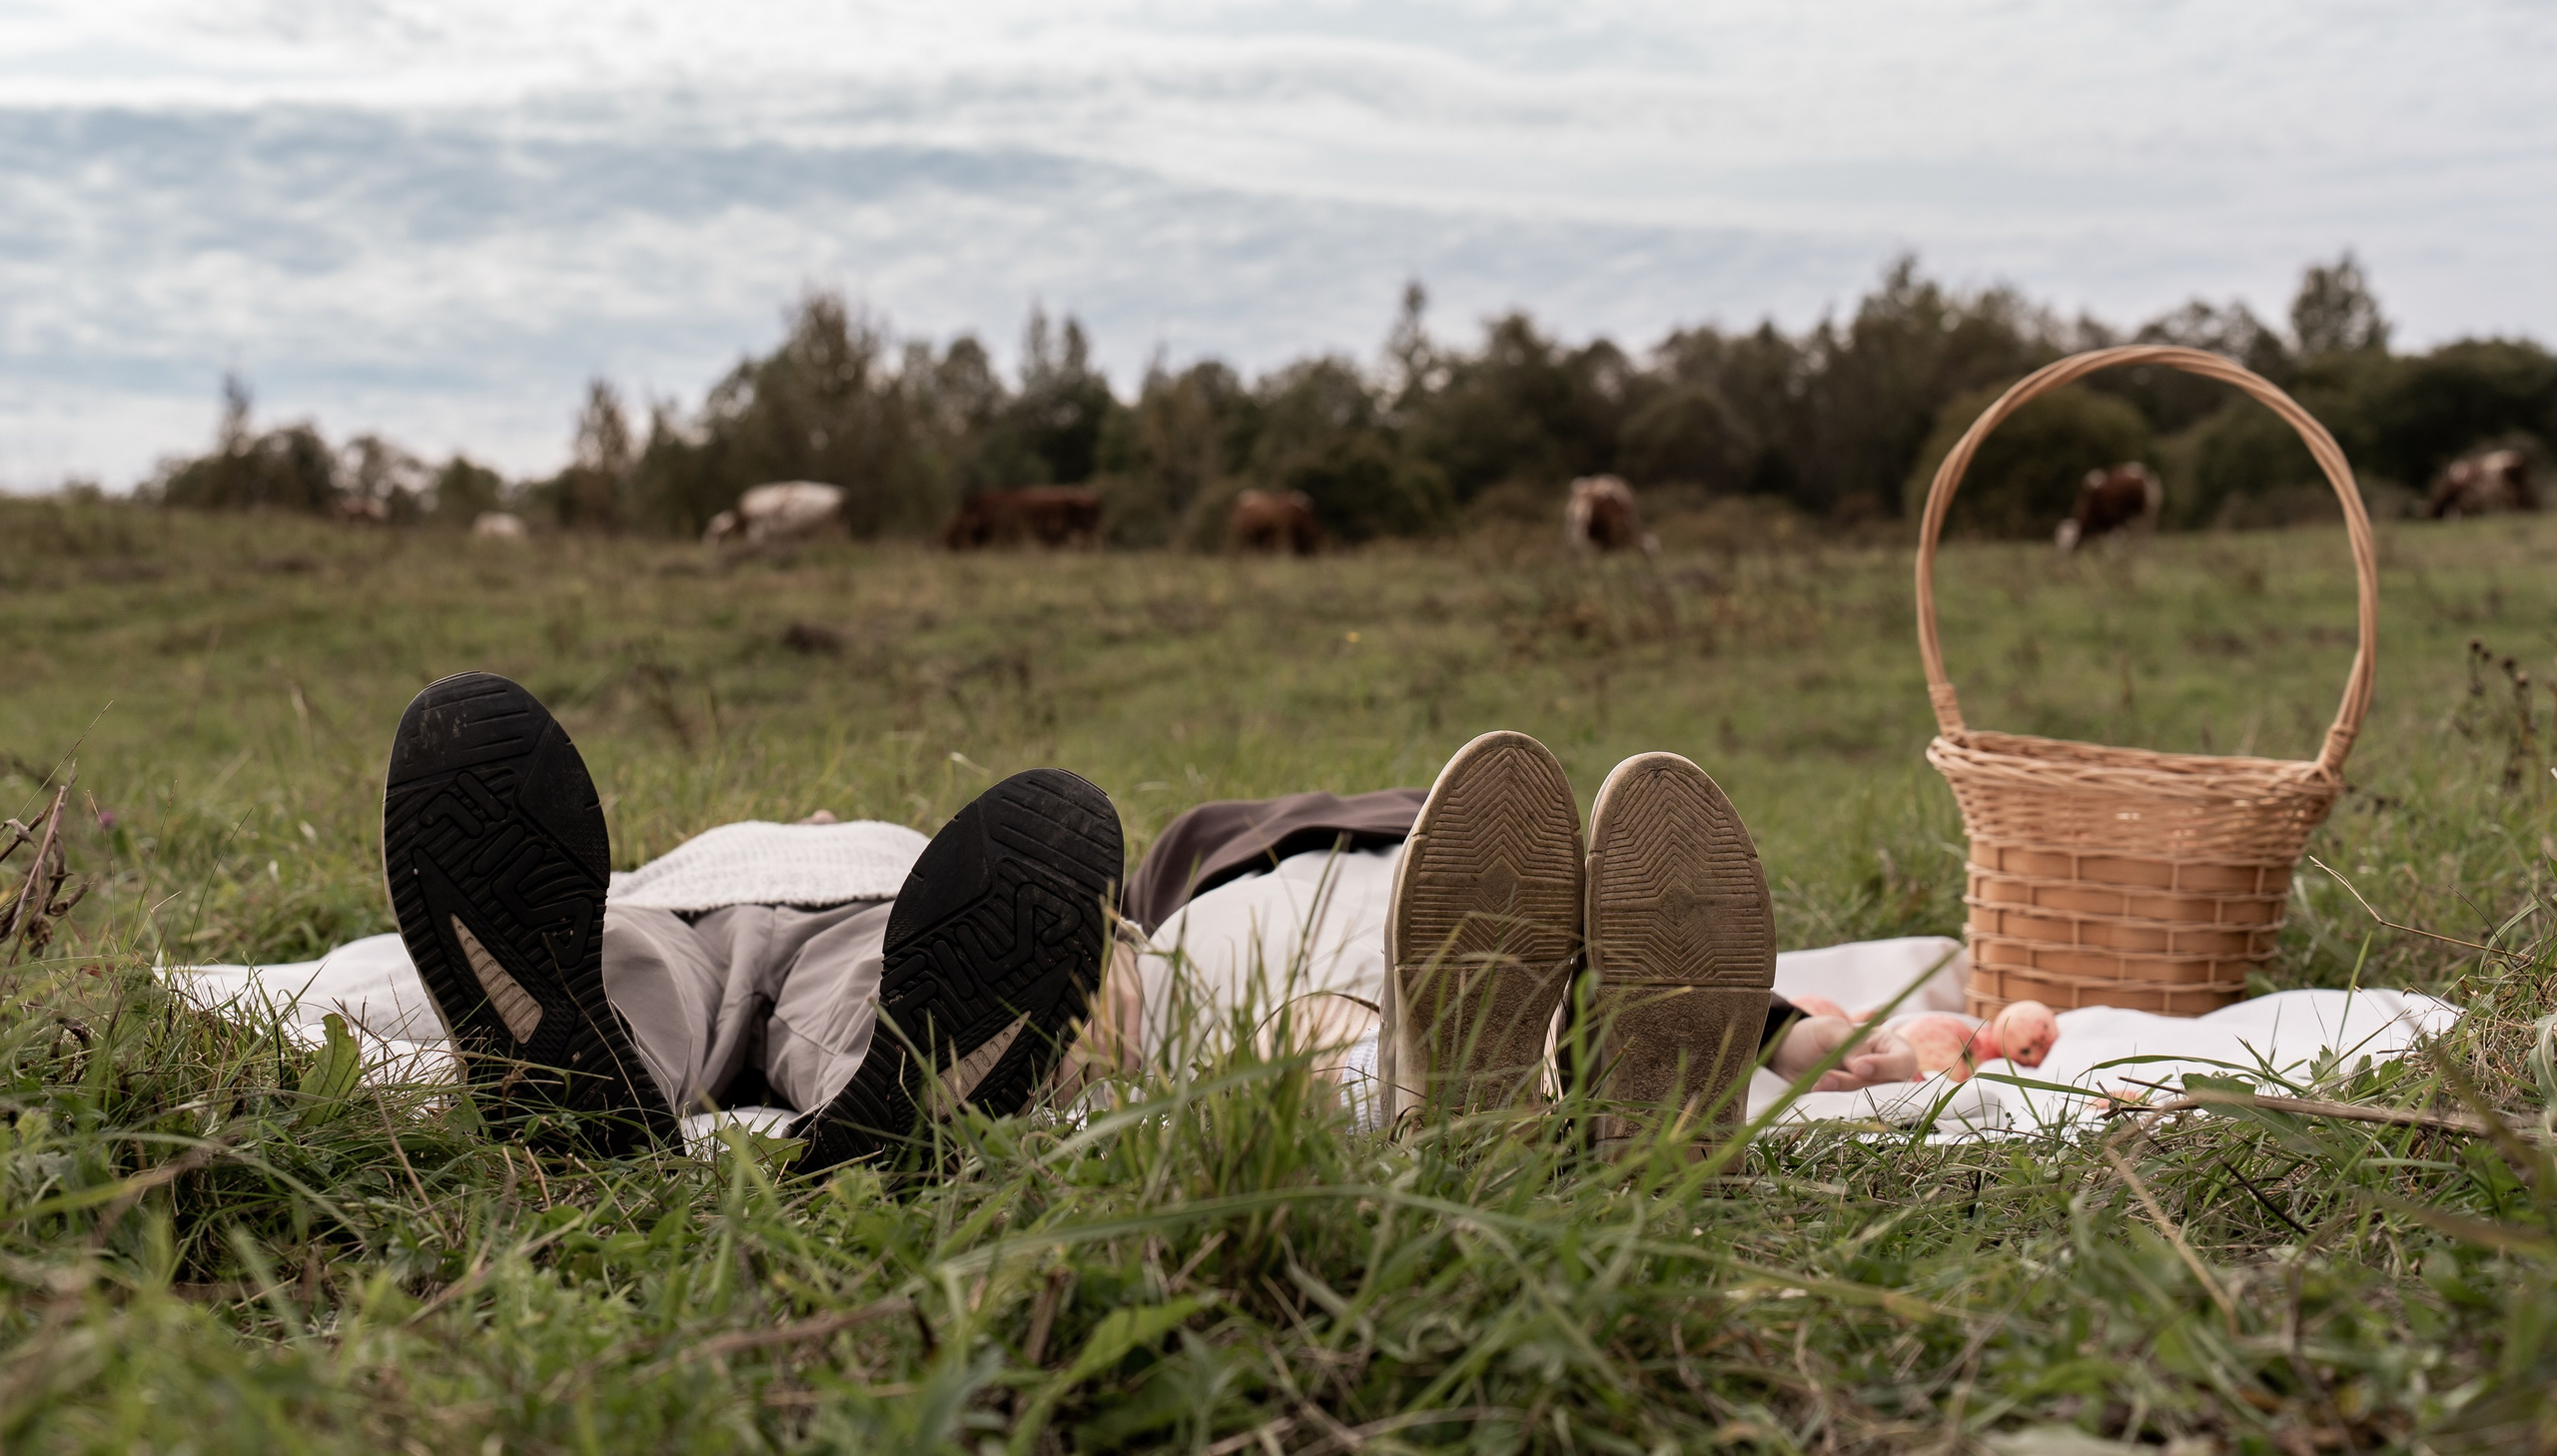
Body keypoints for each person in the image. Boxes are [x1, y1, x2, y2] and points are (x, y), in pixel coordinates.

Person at [379, 672, 1913, 1170]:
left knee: (721, 995)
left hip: (863, 917)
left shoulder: (1051, 900)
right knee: (619, 973)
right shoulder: (1138, 891)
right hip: (699, 901)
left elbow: (1127, 974)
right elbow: (383, 974)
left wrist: (1087, 981)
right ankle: (571, 1081)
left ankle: (863, 1100)